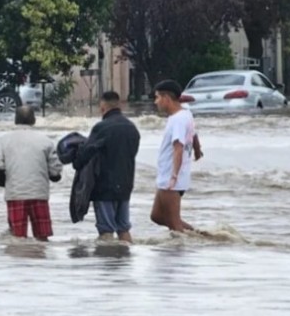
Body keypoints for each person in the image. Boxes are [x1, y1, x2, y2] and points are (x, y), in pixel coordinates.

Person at [73, 91, 141, 242]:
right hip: (126, 185)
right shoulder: (132, 128)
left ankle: (108, 262)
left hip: (105, 187)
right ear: (119, 105)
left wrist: (76, 163)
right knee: (124, 229)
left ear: (102, 107)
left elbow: (86, 153)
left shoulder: (101, 128)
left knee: (106, 231)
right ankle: (126, 261)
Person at [0, 106, 63, 241]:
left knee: (18, 238)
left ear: (15, 120)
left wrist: (2, 180)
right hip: (39, 194)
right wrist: (55, 175)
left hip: (15, 194)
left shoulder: (4, 140)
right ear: (33, 120)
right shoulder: (45, 141)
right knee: (42, 237)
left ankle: (20, 261)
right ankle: (41, 260)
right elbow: (55, 170)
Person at [150, 80, 204, 233]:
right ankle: (200, 235)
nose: (156, 102)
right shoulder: (185, 112)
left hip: (171, 178)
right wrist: (198, 151)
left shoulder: (178, 120)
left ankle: (180, 252)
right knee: (157, 216)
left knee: (174, 224)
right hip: (168, 176)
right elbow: (193, 134)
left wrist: (173, 176)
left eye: (157, 98)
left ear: (166, 98)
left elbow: (178, 149)